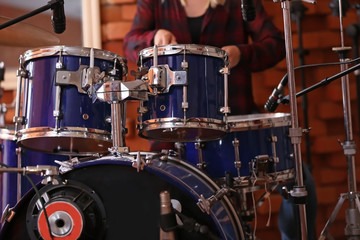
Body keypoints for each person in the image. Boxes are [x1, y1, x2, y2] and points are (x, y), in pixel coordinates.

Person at [123, 0, 316, 239]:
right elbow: (129, 41)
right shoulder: (154, 3)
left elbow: (277, 44)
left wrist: (240, 53)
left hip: (231, 125)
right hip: (172, 131)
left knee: (300, 179)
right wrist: (154, 37)